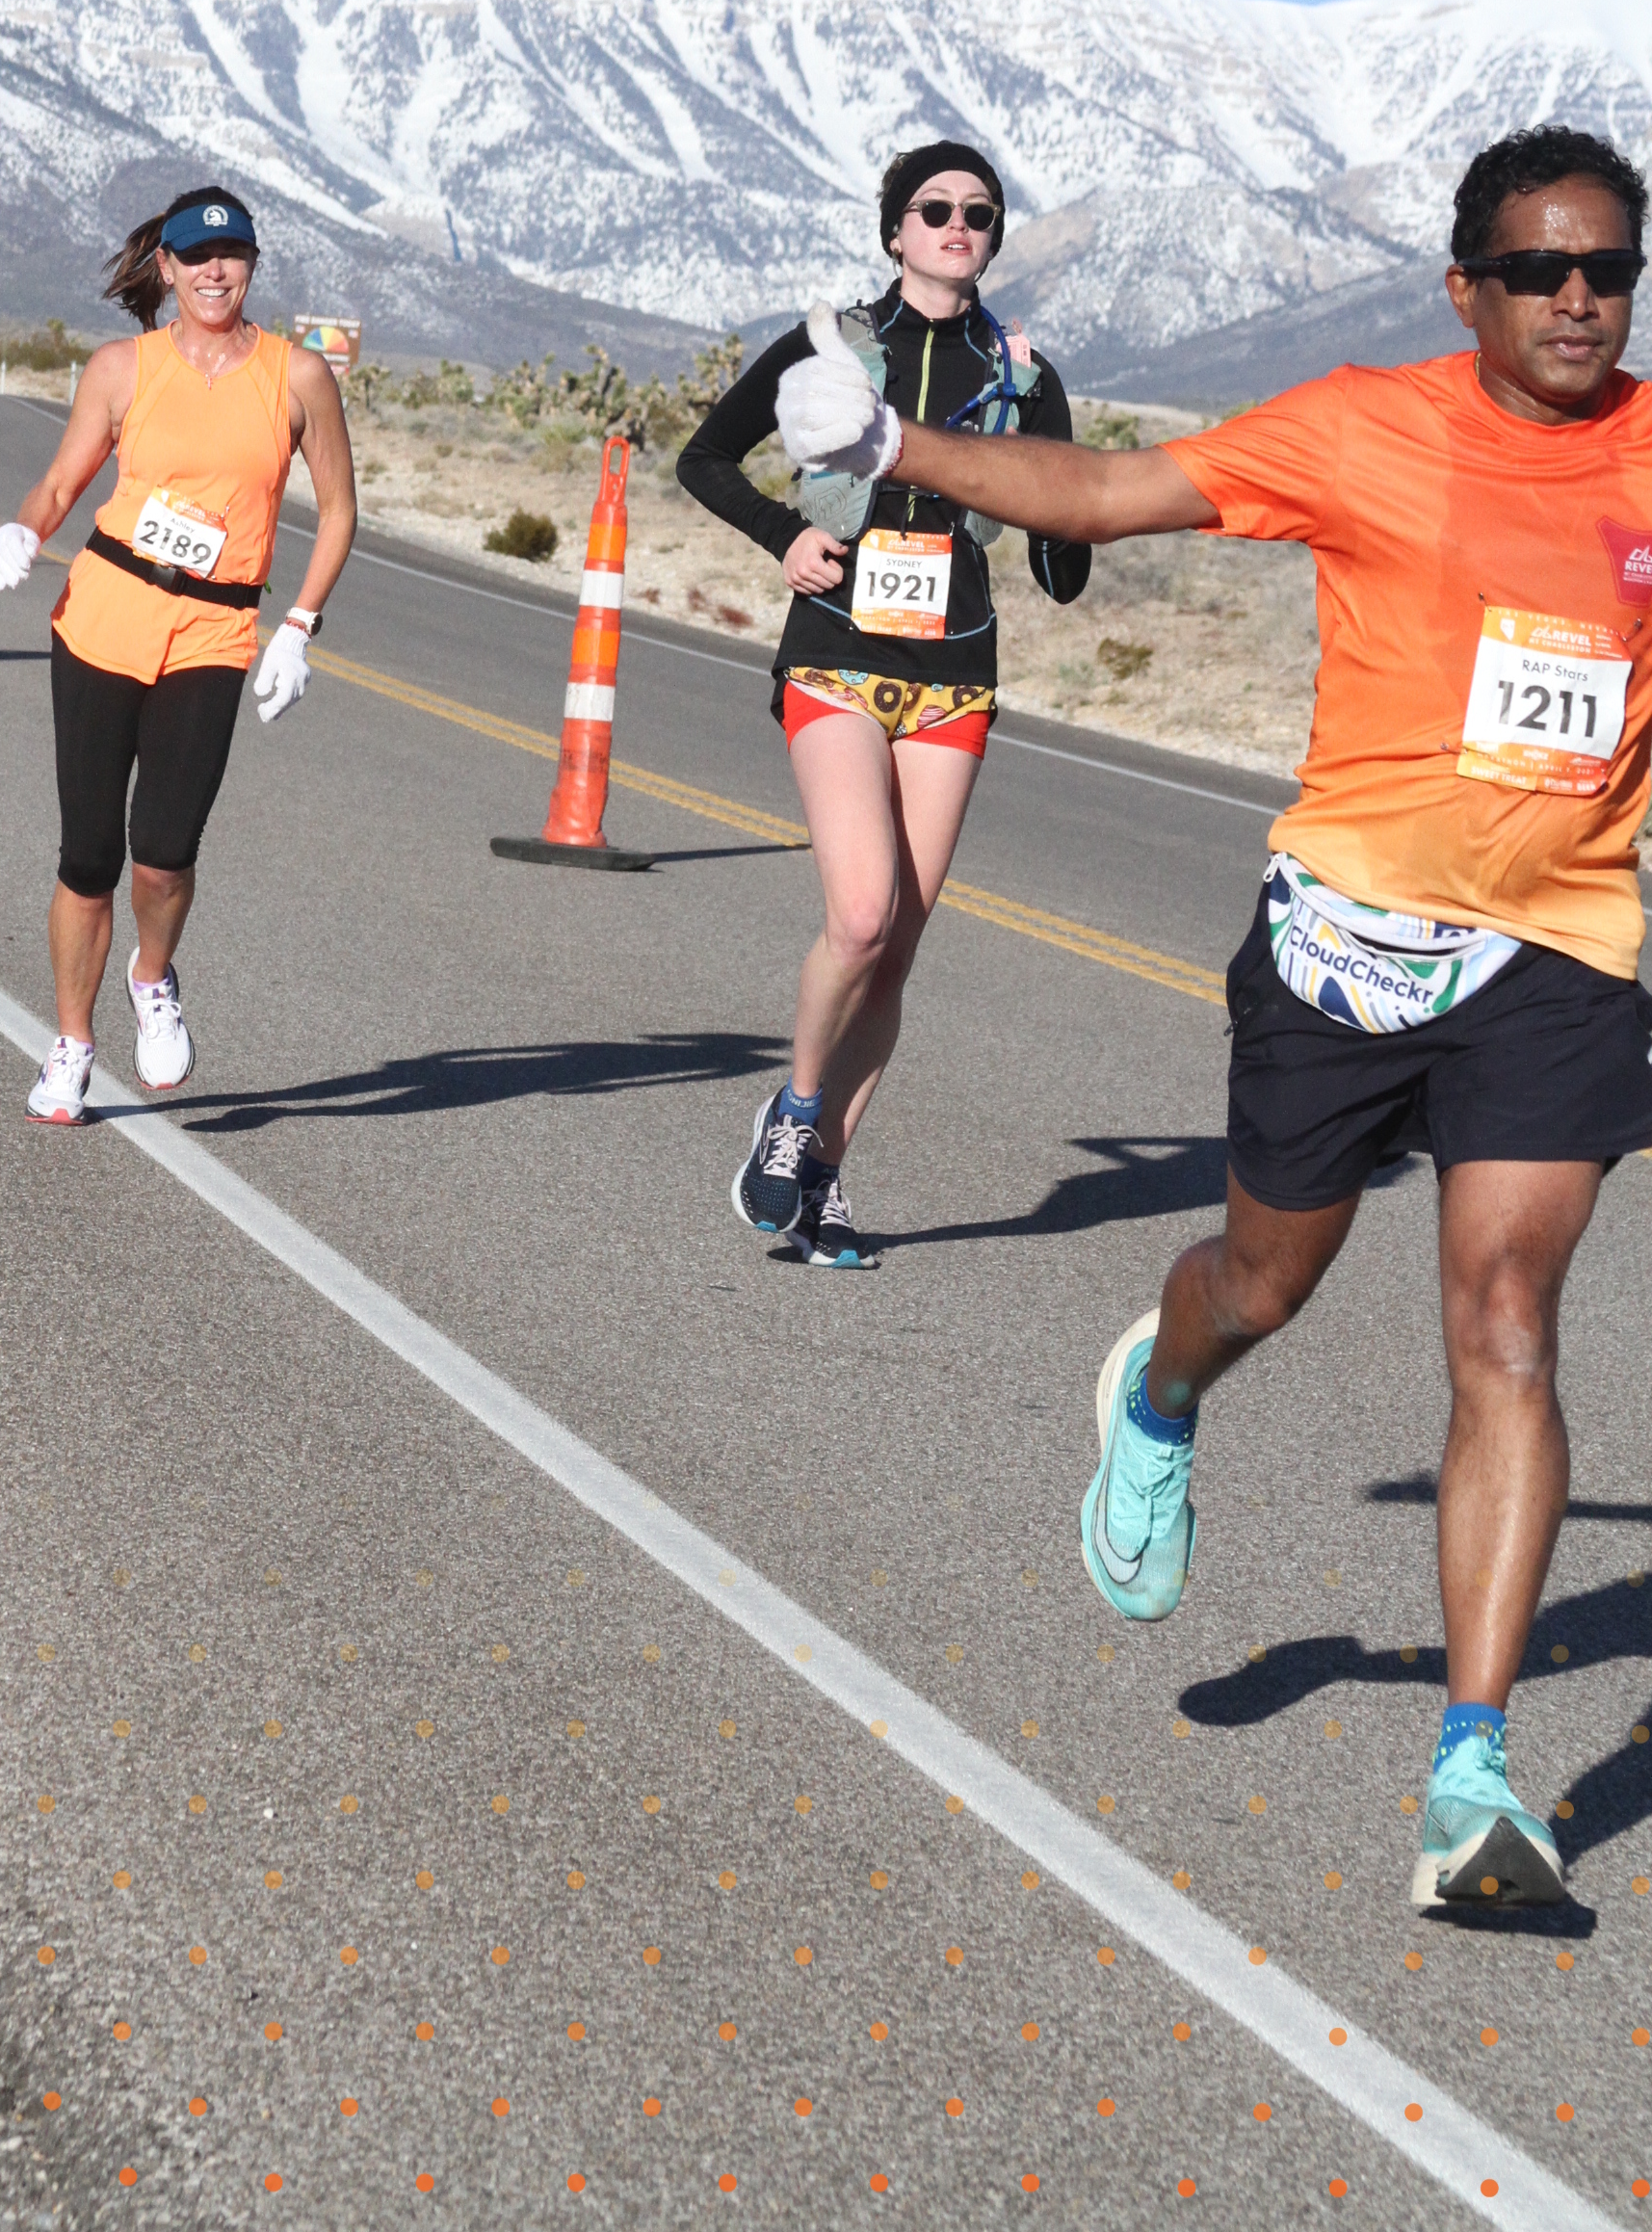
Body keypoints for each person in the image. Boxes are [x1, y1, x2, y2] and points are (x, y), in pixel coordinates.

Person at [781, 121, 1652, 1913]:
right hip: (1344, 941)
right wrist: (888, 446)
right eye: (1539, 270)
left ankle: (1471, 1780)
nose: (1578, 299)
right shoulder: (1360, 427)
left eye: (1610, 272)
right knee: (1263, 1281)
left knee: (1505, 1325)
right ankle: (1160, 1392)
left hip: (1558, 947)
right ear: (1464, 288)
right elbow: (1105, 496)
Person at [679, 144, 1088, 1265]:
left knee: (897, 948)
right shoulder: (836, 346)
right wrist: (785, 534)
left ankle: (823, 1181)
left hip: (955, 674)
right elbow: (705, 457)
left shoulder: (1022, 373)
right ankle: (795, 1113)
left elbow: (1064, 567)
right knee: (859, 915)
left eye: (980, 213)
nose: (959, 225)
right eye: (935, 208)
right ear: (895, 230)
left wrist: (1067, 509)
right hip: (836, 657)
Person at [0, 186, 357, 1123]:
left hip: (215, 632)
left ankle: (152, 976)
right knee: (88, 855)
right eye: (196, 257)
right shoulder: (123, 367)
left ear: (253, 265)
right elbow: (62, 481)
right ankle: (72, 1044)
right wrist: (23, 530)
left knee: (163, 854)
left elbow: (339, 512)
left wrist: (299, 626)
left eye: (231, 256)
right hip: (103, 615)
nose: (214, 272)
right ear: (169, 267)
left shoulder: (299, 378)